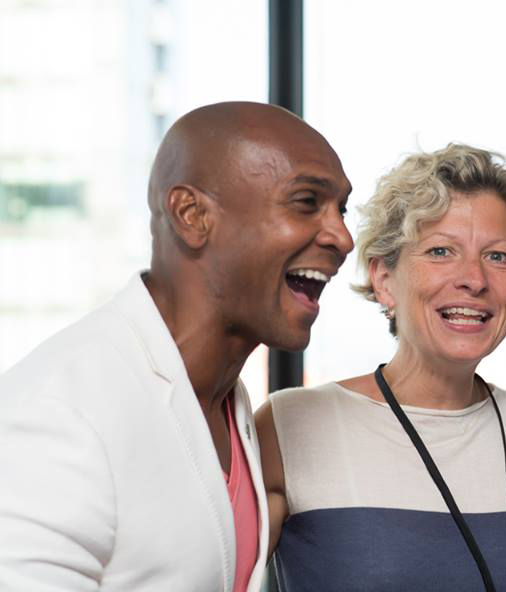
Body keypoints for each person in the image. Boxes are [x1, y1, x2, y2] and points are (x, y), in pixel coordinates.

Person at [0, 101, 354, 592]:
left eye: (342, 208)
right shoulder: (59, 414)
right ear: (192, 215)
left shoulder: (227, 402)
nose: (343, 236)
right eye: (306, 202)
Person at [256, 144, 506, 591]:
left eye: (498, 257)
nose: (474, 278)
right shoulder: (293, 426)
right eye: (441, 251)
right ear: (383, 279)